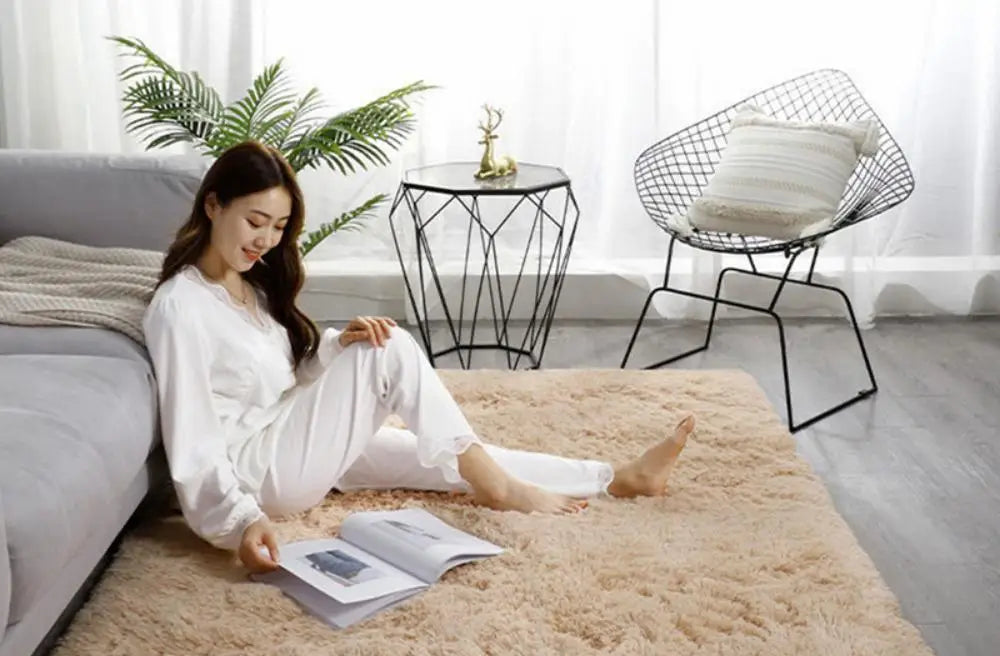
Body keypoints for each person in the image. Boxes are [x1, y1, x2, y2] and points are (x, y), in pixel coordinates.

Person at [143, 141, 695, 574]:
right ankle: (501, 491)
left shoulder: (251, 285)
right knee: (392, 350)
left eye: (279, 227)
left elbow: (278, 380)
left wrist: (337, 345)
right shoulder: (179, 307)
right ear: (213, 205)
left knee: (439, 452)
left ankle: (616, 479)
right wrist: (241, 522)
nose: (265, 239)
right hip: (258, 472)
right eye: (254, 221)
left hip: (286, 432)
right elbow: (193, 444)